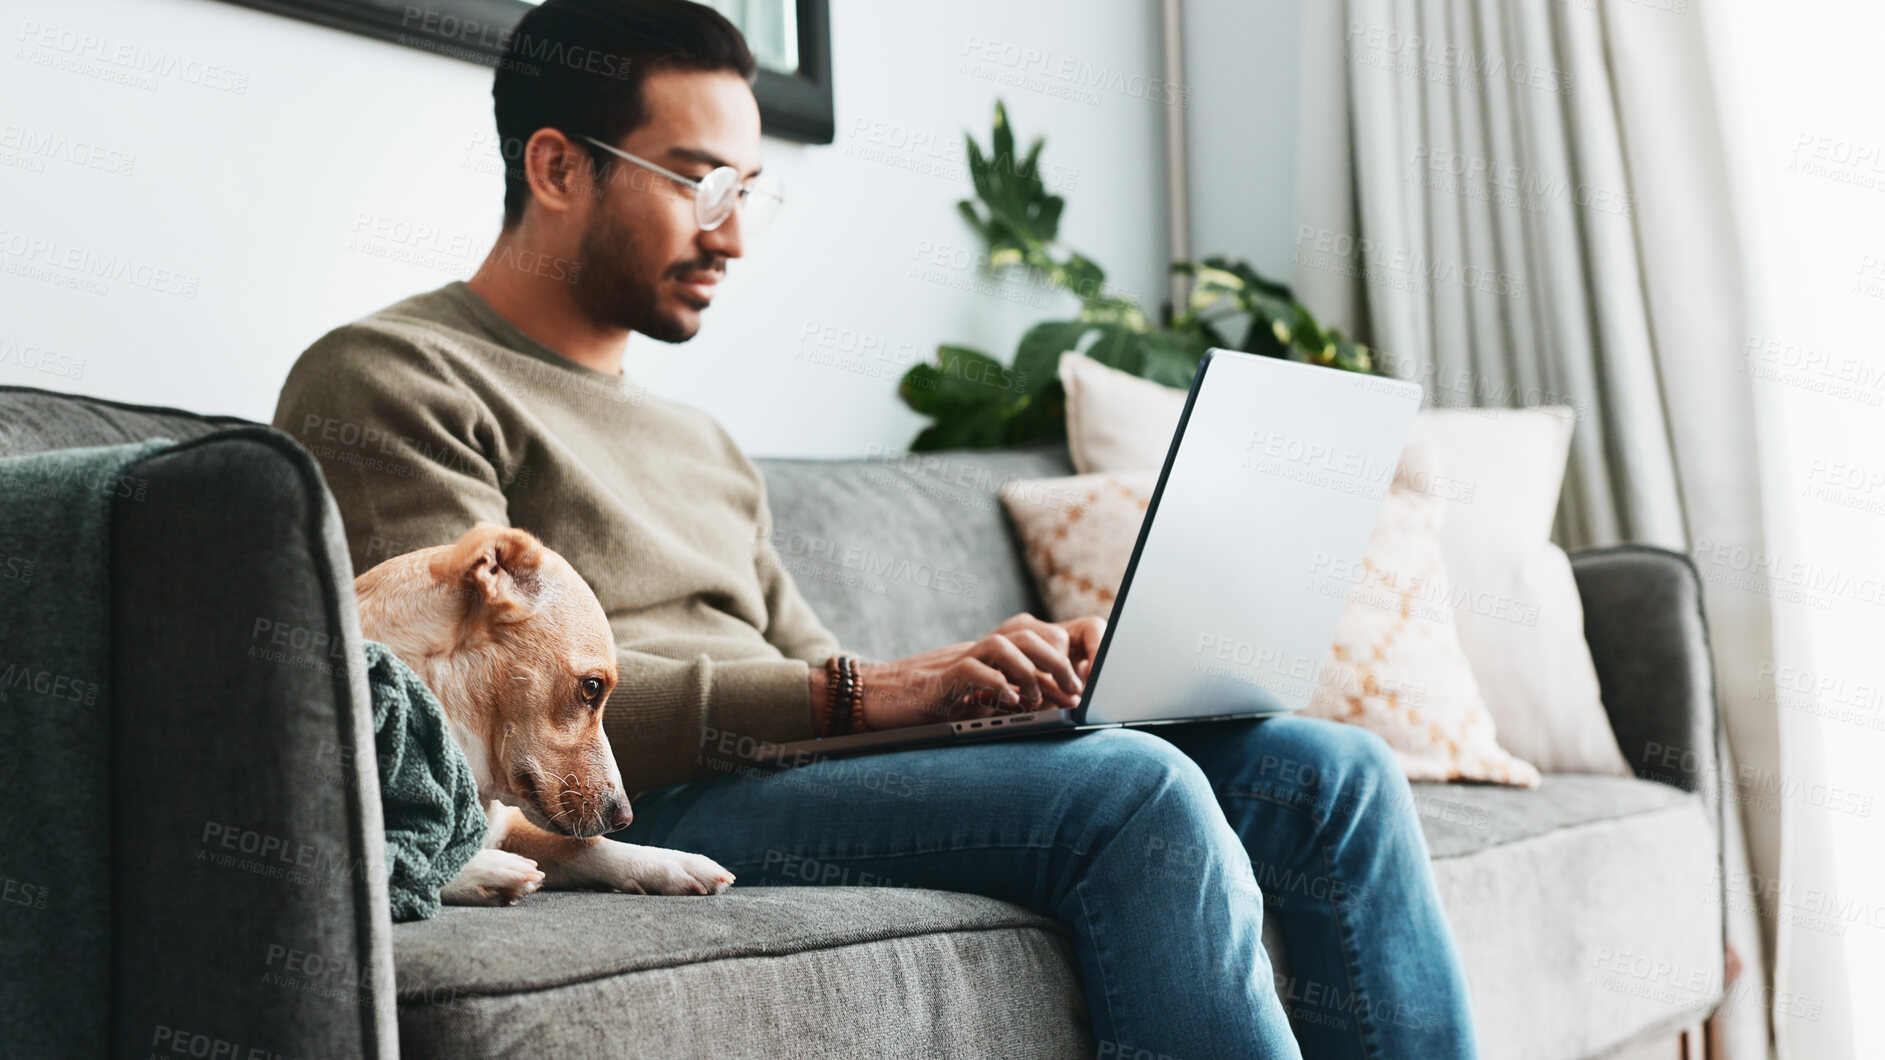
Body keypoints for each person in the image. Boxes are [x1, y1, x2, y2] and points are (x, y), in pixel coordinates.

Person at [272, 1, 1478, 1055]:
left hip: (788, 774)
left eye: (749, 191)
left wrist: (986, 689)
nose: (734, 233)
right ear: (555, 167)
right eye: (701, 183)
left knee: (1332, 772)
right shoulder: (393, 376)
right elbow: (454, 715)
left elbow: (816, 663)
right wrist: (863, 694)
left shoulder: (703, 443)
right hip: (655, 797)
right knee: (1134, 794)